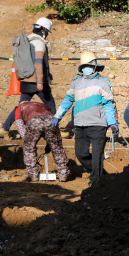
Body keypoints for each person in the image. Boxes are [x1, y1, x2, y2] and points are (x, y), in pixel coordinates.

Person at [52, 52, 118, 185]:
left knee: (97, 154)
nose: (86, 69)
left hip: (98, 124)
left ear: (94, 66)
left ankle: (95, 180)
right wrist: (58, 116)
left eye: (88, 65)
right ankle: (100, 174)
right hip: (80, 124)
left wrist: (112, 123)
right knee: (80, 153)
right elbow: (67, 101)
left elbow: (108, 105)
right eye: (84, 66)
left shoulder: (102, 83)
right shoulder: (76, 83)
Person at [0, 17, 55, 138]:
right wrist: (40, 81)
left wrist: (47, 73)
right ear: (43, 31)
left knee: (20, 107)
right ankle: (54, 130)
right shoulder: (39, 43)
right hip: (36, 80)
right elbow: (38, 62)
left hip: (25, 79)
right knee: (50, 104)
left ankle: (4, 128)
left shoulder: (27, 40)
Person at [12, 101, 72, 182]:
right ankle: (64, 174)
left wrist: (25, 138)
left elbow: (19, 123)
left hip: (34, 122)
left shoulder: (19, 107)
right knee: (57, 148)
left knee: (29, 148)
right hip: (51, 121)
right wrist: (49, 142)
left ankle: (33, 175)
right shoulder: (42, 105)